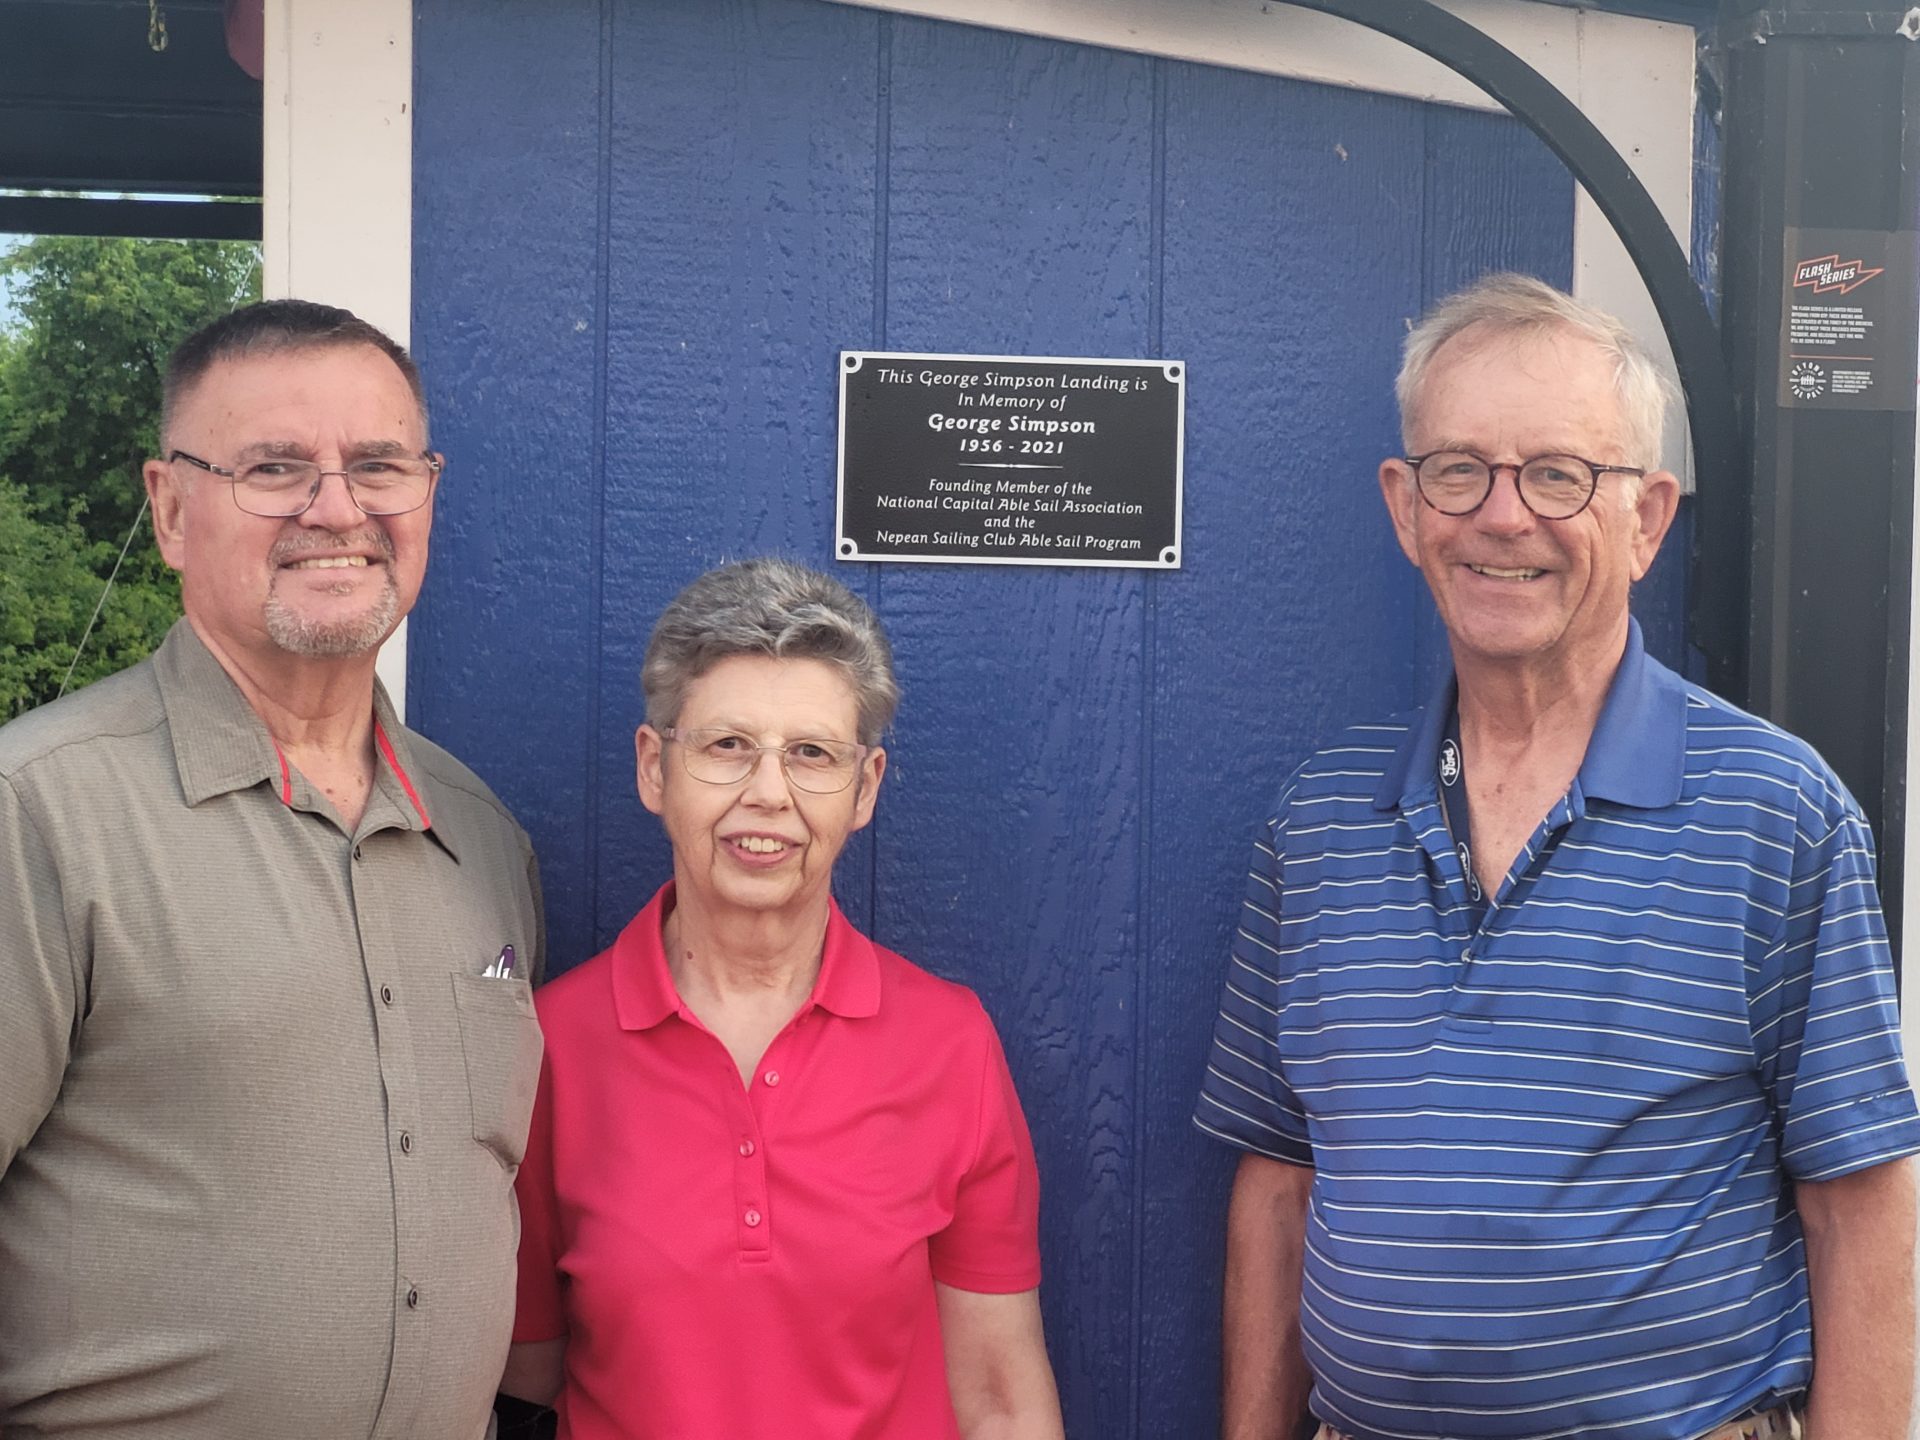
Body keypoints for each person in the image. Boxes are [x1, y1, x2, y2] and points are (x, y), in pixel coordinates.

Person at [1194, 273, 1920, 1440]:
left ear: (1647, 518)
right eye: (1459, 469)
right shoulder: (1321, 822)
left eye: (1558, 474)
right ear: (1405, 505)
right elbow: (1278, 1191)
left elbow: (1862, 1204)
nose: (1502, 515)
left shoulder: (1776, 814)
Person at [0, 300, 544, 1438]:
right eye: (275, 468)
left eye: (379, 465)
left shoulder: (485, 840)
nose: (337, 509)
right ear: (170, 508)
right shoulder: (38, 813)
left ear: (427, 492)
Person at [500, 557, 1065, 1439]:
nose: (768, 793)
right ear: (656, 768)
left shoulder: (948, 1043)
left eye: (811, 754)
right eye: (728, 746)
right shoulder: (551, 1048)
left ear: (865, 787)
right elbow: (526, 1371)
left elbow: (998, 1394)